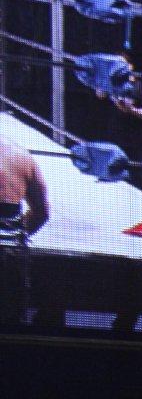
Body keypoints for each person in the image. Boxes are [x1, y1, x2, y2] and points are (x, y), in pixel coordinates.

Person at [0, 135, 49, 324]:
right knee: (11, 325)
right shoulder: (22, 155)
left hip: (11, 252)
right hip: (12, 256)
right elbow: (42, 212)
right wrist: (13, 234)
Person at [96, 49, 142, 191]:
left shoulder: (141, 88)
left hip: (136, 141)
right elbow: (100, 94)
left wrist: (133, 110)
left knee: (137, 179)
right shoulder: (114, 84)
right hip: (116, 138)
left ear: (130, 66)